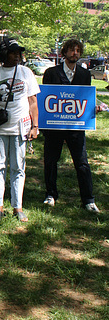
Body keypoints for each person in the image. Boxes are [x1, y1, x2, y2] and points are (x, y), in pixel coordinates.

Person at [0, 37, 40, 222]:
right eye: (13, 52)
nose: (17, 56)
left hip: (20, 126)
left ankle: (17, 206)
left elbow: (32, 102)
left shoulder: (26, 73)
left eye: (18, 53)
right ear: (4, 54)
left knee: (18, 167)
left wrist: (35, 125)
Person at [42, 38, 99, 212]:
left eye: (78, 50)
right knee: (51, 161)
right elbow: (45, 99)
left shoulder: (84, 74)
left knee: (82, 163)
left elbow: (85, 99)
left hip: (76, 126)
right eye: (72, 50)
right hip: (55, 126)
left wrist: (93, 108)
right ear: (64, 52)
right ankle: (51, 194)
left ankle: (88, 199)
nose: (75, 53)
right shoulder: (51, 73)